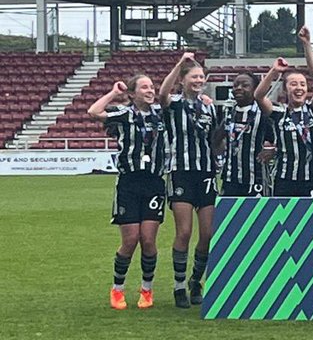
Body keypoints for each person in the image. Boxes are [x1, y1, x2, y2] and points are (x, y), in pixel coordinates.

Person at [88, 73, 167, 310]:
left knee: (148, 240)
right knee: (131, 239)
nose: (150, 90)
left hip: (154, 182)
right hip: (129, 183)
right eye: (144, 87)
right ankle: (118, 289)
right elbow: (93, 112)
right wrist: (114, 92)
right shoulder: (124, 114)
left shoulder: (161, 115)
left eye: (152, 86)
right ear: (132, 94)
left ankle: (147, 289)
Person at [158, 52, 221, 308]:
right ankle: (179, 285)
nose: (198, 81)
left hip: (205, 172)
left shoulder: (208, 106)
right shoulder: (173, 103)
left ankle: (197, 281)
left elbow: (216, 139)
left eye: (200, 77)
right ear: (183, 81)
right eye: (193, 77)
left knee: (207, 233)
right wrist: (178, 65)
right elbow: (162, 95)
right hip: (180, 171)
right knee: (184, 231)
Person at [256, 58, 313, 196]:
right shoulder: (279, 113)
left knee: (312, 217)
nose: (299, 88)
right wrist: (274, 72)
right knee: (284, 218)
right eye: (293, 84)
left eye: (303, 84)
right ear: (285, 89)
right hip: (284, 179)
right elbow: (259, 96)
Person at [218, 72, 274, 197]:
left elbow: (279, 139)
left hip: (256, 178)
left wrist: (273, 150)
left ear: (255, 89)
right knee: (228, 216)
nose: (238, 88)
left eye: (245, 85)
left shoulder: (264, 114)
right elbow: (216, 140)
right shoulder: (228, 112)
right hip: (229, 179)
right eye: (236, 85)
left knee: (258, 216)